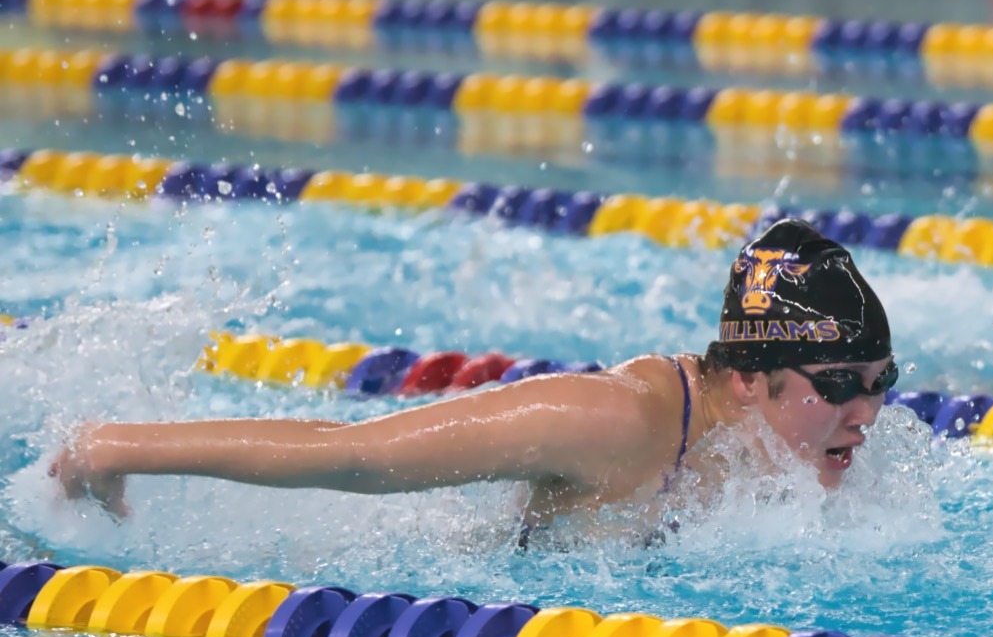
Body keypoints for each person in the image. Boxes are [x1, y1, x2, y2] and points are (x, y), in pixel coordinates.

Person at [51, 219, 900, 536]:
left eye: (882, 381)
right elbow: (359, 456)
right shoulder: (609, 421)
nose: (867, 412)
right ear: (749, 377)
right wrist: (118, 446)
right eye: (840, 384)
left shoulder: (801, 459)